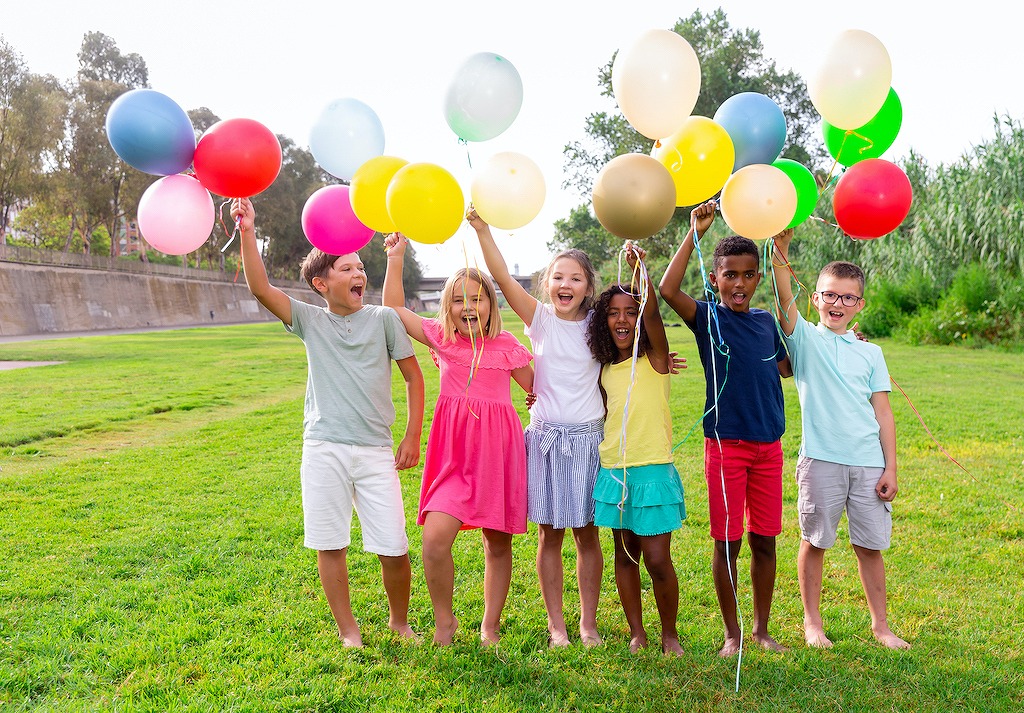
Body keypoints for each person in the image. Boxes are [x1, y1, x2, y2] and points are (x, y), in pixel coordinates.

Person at [232, 198, 424, 649]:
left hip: (376, 450)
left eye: (360, 268)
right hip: (323, 448)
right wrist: (247, 230)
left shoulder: (383, 319)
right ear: (321, 283)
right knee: (330, 543)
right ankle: (349, 631)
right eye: (346, 269)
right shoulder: (309, 320)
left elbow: (414, 378)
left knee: (393, 546)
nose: (358, 275)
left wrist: (413, 435)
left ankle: (400, 623)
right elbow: (260, 289)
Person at [383, 232, 534, 647]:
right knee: (434, 540)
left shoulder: (507, 347)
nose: (468, 307)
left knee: (497, 542)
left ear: (491, 305)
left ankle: (490, 625)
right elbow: (394, 309)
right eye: (458, 300)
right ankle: (444, 621)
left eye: (478, 298)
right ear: (447, 307)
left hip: (496, 456)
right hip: (453, 458)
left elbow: (542, 389)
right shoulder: (442, 340)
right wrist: (396, 258)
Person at [659, 200, 792, 657]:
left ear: (757, 278)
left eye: (748, 274)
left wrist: (834, 342)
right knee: (729, 542)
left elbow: (788, 367)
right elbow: (666, 288)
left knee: (766, 541)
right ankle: (732, 633)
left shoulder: (765, 322)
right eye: (729, 275)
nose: (739, 283)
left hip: (768, 448)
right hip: (726, 447)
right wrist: (695, 232)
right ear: (714, 278)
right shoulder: (707, 318)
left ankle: (761, 629)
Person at [468, 207, 605, 648]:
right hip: (545, 440)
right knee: (549, 535)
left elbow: (641, 326)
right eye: (558, 277)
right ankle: (557, 627)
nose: (566, 285)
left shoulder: (599, 324)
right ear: (547, 283)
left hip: (587, 440)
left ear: (588, 288)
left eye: (576, 278)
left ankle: (587, 624)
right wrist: (484, 229)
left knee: (587, 534)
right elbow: (503, 277)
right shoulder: (539, 319)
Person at [771, 229, 910, 650]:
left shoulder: (871, 353)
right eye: (830, 295)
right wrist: (782, 248)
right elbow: (782, 294)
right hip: (821, 460)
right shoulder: (805, 340)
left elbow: (883, 412)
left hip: (868, 463)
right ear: (815, 298)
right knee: (815, 541)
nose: (838, 303)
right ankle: (812, 624)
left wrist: (890, 466)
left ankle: (881, 626)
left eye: (848, 297)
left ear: (860, 305)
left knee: (870, 547)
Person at [587, 245, 686, 655]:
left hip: (652, 471)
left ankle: (670, 634)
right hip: (614, 470)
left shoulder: (657, 359)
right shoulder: (605, 368)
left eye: (629, 311)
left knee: (658, 559)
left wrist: (640, 270)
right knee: (625, 555)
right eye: (613, 312)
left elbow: (654, 314)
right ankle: (637, 633)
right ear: (603, 322)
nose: (622, 319)